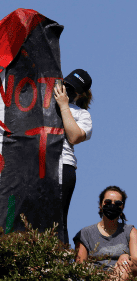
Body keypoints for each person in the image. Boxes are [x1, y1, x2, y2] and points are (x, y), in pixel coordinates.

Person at [54, 69, 93, 244]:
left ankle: (58, 263)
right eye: (66, 85)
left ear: (80, 94)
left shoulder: (82, 114)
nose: (67, 90)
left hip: (63, 165)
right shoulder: (43, 102)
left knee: (58, 218)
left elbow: (75, 136)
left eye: (73, 89)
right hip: (35, 163)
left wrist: (64, 106)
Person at [74, 186, 137, 281]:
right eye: (108, 202)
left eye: (117, 203)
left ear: (122, 207)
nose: (112, 205)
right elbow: (80, 267)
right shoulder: (85, 233)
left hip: (125, 276)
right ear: (100, 205)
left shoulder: (130, 231)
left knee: (126, 264)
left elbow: (136, 260)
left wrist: (126, 257)